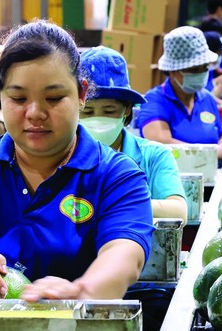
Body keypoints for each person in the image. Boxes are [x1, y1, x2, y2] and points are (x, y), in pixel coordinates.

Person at [0, 20, 154, 301]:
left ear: (82, 94)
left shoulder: (116, 175)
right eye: (18, 97)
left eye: (54, 97)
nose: (35, 113)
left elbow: (125, 253)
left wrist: (84, 291)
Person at [78, 46, 188, 223]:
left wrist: (116, 203)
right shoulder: (62, 157)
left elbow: (178, 210)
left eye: (109, 111)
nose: (98, 119)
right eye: (88, 112)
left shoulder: (153, 156)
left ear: (127, 109)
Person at [137, 26, 222, 160]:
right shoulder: (155, 101)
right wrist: (209, 154)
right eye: (193, 70)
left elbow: (220, 136)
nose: (200, 74)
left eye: (204, 68)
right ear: (172, 70)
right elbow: (160, 144)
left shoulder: (207, 99)